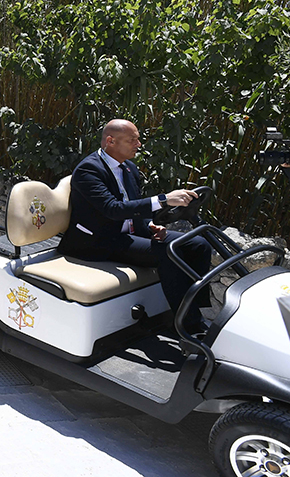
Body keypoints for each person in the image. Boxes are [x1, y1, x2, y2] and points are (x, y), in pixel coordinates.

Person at [57, 119, 213, 333]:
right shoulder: (88, 171)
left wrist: (149, 225)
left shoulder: (129, 168)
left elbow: (132, 205)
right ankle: (190, 328)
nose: (138, 144)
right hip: (97, 242)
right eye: (133, 140)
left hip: (124, 236)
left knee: (198, 244)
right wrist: (164, 199)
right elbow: (113, 209)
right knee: (168, 254)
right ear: (110, 141)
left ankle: (192, 311)